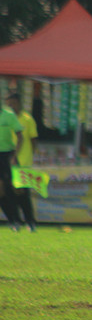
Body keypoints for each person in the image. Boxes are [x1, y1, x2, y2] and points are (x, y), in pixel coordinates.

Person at [6, 93, 39, 231]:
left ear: (19, 103)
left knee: (23, 193)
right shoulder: (6, 118)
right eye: (8, 104)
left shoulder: (27, 119)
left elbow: (33, 139)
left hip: (23, 161)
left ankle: (30, 222)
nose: (11, 106)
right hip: (7, 160)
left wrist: (30, 156)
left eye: (13, 103)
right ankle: (16, 221)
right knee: (9, 192)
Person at [0, 99, 24, 231]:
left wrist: (15, 155)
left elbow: (20, 136)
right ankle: (11, 220)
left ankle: (17, 220)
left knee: (11, 189)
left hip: (7, 155)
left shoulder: (9, 115)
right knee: (1, 191)